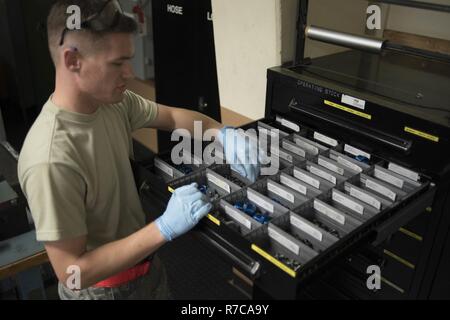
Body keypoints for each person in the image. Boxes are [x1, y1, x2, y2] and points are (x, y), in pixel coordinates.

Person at [17, 0, 259, 300]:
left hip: (146, 265)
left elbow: (171, 117)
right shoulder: (50, 159)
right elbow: (72, 273)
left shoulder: (111, 103)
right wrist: (163, 228)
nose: (129, 73)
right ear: (72, 61)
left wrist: (219, 131)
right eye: (117, 63)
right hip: (103, 293)